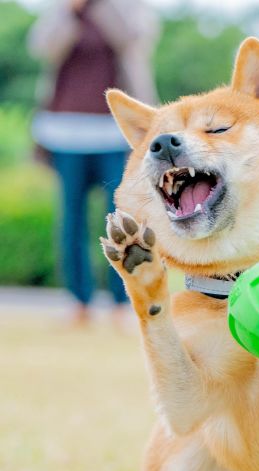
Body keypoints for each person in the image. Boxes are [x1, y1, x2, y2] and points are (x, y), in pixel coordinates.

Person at [28, 0, 158, 324]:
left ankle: (121, 300)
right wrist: (70, 12)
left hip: (114, 132)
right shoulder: (62, 9)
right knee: (71, 218)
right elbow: (43, 47)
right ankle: (78, 301)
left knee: (121, 217)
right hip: (65, 129)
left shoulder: (129, 7)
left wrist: (101, 7)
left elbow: (133, 39)